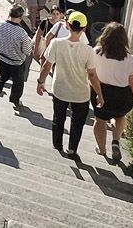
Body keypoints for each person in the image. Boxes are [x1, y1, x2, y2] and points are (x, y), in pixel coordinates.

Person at [37, 11, 103, 157]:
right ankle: (72, 149)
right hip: (81, 94)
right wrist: (99, 95)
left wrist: (40, 82)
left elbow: (47, 66)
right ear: (84, 29)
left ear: (67, 25)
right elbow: (92, 75)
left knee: (58, 118)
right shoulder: (88, 51)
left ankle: (57, 144)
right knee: (77, 123)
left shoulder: (56, 43)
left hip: (60, 90)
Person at [91, 23, 133, 161]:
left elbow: (92, 75)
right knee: (120, 117)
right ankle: (115, 140)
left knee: (100, 120)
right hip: (123, 95)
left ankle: (102, 150)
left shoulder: (95, 52)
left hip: (101, 91)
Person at [0, 5, 34, 109]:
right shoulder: (22, 33)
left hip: (1, 57)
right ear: (20, 17)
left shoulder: (0, 25)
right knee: (18, 82)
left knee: (2, 76)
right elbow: (27, 51)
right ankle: (14, 99)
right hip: (16, 62)